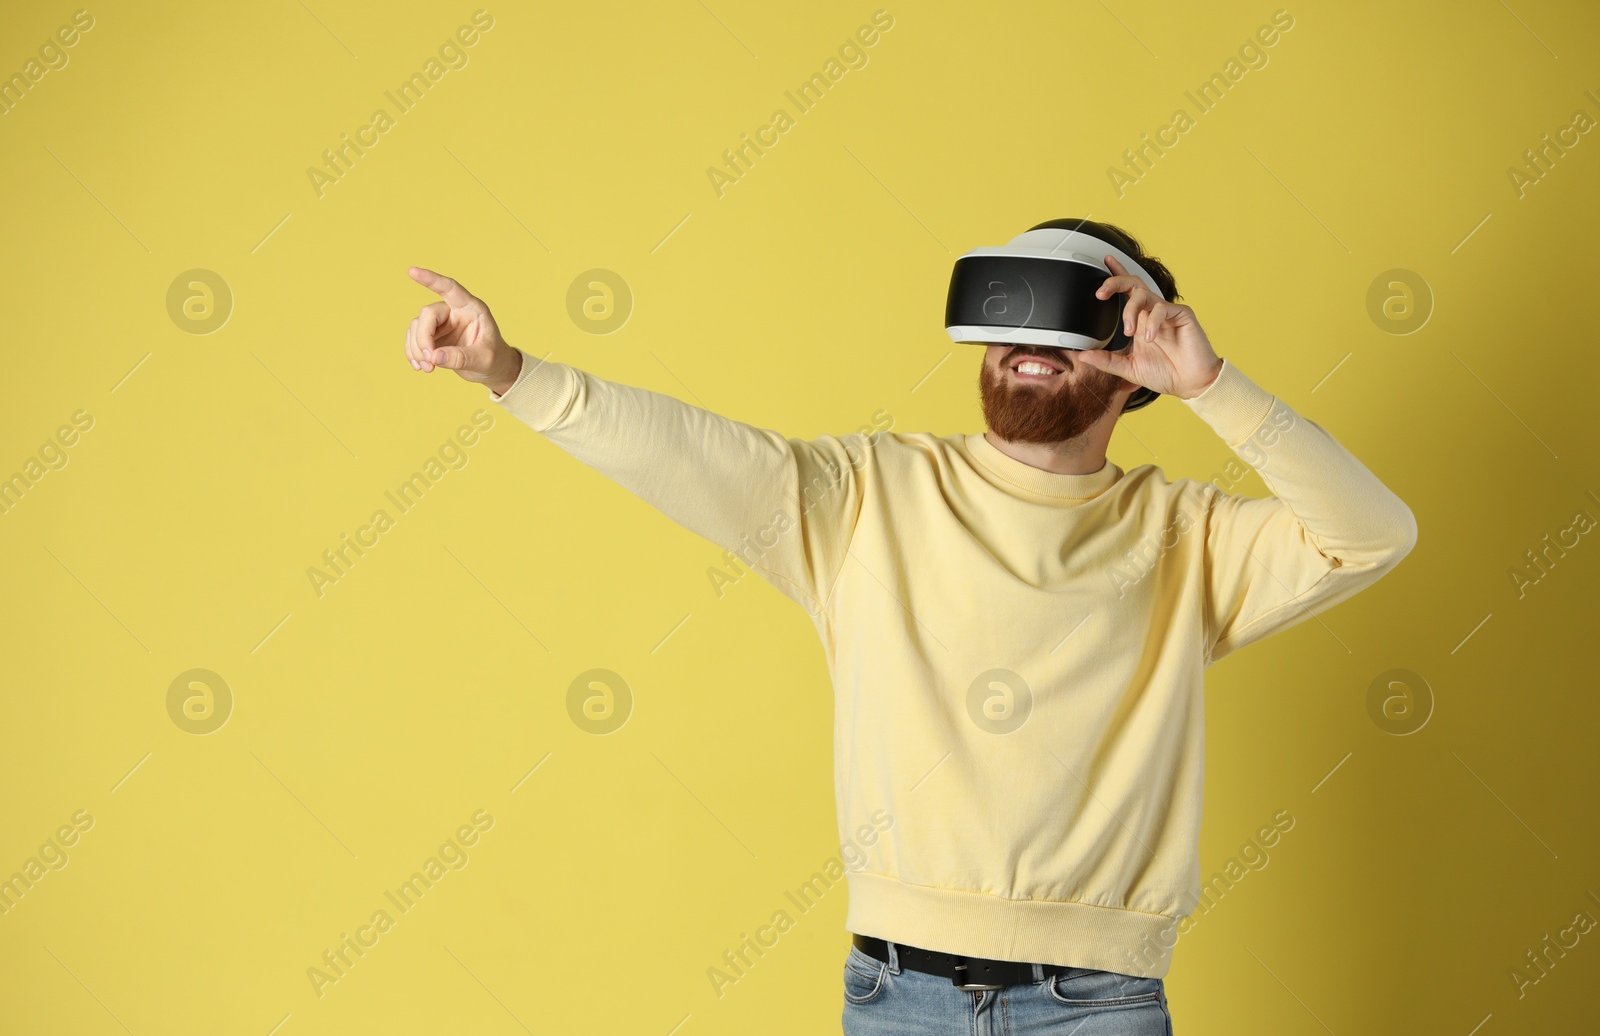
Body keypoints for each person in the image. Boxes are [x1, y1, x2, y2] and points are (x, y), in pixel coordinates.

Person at [400, 219, 1417, 1035]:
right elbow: (683, 451)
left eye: (1073, 318)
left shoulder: (1187, 536)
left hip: (1098, 1004)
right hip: (897, 997)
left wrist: (1212, 386)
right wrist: (511, 372)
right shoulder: (866, 494)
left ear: (1126, 363)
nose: (1029, 340)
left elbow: (1371, 532)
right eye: (1010, 314)